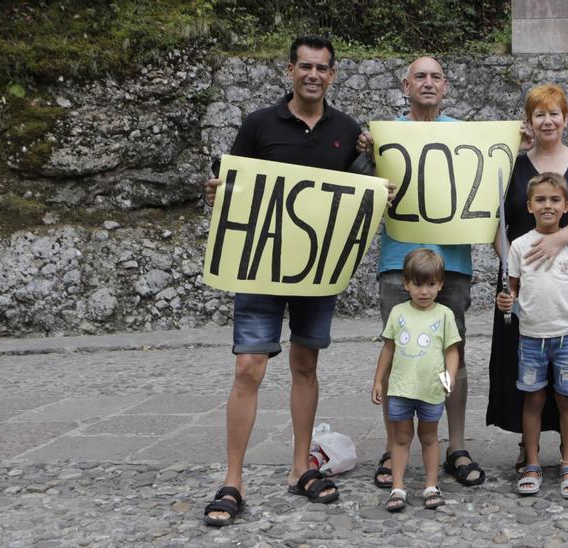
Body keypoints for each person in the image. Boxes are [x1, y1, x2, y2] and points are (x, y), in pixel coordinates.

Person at [200, 36, 367, 526]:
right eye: (305, 66)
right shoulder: (259, 124)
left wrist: (375, 171)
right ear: (290, 70)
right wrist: (219, 193)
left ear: (332, 75)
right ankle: (233, 479)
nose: (313, 74)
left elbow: (357, 192)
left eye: (322, 68)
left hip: (315, 271)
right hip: (259, 266)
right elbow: (233, 182)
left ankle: (300, 469)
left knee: (305, 365)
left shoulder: (347, 131)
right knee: (249, 367)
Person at [358, 56, 485, 489]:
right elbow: (359, 189)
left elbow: (493, 175)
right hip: (398, 262)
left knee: (454, 353)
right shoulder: (383, 137)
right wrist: (366, 158)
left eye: (436, 77)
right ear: (405, 84)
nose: (428, 83)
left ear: (445, 86)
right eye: (420, 77)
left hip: (453, 264)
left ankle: (456, 445)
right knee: (399, 353)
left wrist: (515, 145)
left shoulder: (465, 135)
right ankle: (395, 447)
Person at [485, 83, 568, 471]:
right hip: (524, 285)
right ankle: (528, 445)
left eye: (554, 113)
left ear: (566, 118)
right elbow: (494, 219)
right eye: (539, 114)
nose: (547, 120)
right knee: (524, 373)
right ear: (529, 121)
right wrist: (512, 265)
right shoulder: (513, 165)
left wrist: (562, 240)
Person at [495, 172, 568, 498]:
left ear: (567, 206)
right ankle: (533, 462)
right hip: (531, 339)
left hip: (567, 336)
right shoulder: (519, 247)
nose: (547, 205)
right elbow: (512, 294)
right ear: (529, 205)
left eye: (554, 200)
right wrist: (505, 304)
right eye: (540, 199)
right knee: (533, 399)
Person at [370, 249, 461, 511]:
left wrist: (450, 377)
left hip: (432, 389)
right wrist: (378, 381)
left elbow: (451, 350)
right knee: (401, 437)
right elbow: (388, 348)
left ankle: (431, 485)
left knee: (429, 436)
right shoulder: (398, 313)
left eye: (431, 284)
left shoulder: (444, 315)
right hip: (400, 389)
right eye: (418, 284)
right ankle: (398, 487)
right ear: (406, 283)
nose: (424, 291)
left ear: (440, 284)